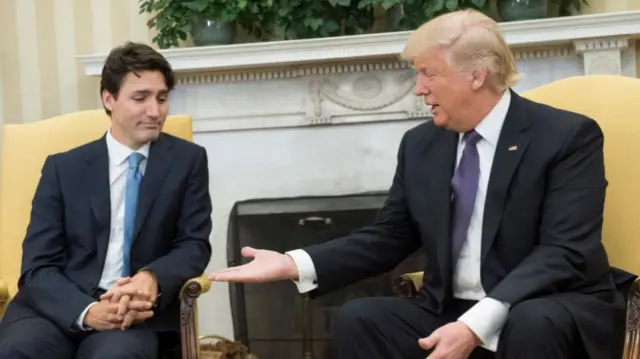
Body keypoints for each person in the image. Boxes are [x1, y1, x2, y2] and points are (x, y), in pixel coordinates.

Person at [209, 9, 632, 359]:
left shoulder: (565, 136)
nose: (419, 89)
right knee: (361, 319)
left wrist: (475, 324)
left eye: (429, 74)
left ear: (476, 76)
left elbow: (564, 252)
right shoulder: (422, 145)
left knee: (531, 322)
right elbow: (389, 236)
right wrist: (292, 263)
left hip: (544, 305)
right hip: (449, 306)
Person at [0, 42, 213, 359]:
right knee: (19, 351)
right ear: (108, 98)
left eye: (162, 98)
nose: (155, 111)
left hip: (136, 314)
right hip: (55, 309)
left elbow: (194, 244)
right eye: (140, 98)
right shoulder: (63, 168)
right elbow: (38, 265)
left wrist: (150, 278)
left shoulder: (188, 161)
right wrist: (86, 311)